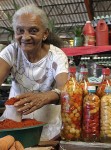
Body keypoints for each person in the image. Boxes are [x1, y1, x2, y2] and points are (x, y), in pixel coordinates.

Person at [0, 4, 69, 140]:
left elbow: (65, 88)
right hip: (14, 121)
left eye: (33, 31)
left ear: (45, 34)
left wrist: (45, 97)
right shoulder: (11, 51)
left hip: (48, 124)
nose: (25, 37)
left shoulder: (56, 56)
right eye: (20, 31)